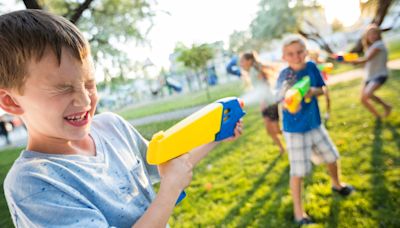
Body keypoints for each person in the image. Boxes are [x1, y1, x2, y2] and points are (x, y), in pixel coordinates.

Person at [0, 10, 243, 227]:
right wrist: (169, 191)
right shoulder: (31, 183)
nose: (85, 101)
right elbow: (171, 179)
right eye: (63, 88)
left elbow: (168, 165)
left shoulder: (112, 127)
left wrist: (217, 133)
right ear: (11, 101)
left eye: (89, 84)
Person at [276, 36, 353, 225]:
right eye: (290, 54)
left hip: (315, 124)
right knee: (299, 171)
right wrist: (290, 104)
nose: (296, 56)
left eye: (300, 51)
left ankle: (337, 184)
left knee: (332, 156)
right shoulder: (284, 76)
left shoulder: (311, 68)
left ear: (306, 51)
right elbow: (280, 99)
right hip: (295, 130)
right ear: (284, 57)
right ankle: (298, 213)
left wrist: (311, 92)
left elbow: (322, 89)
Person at [345, 24, 392, 119]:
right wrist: (353, 62)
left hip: (380, 74)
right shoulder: (370, 47)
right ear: (367, 36)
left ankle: (386, 106)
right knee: (363, 99)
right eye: (370, 34)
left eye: (374, 34)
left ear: (379, 35)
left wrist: (355, 61)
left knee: (368, 94)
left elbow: (367, 59)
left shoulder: (379, 45)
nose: (372, 36)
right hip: (369, 76)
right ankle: (378, 116)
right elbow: (366, 63)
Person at [308, 50, 331, 126]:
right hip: (316, 84)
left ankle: (328, 113)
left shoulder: (321, 63)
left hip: (323, 82)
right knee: (315, 99)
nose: (314, 57)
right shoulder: (311, 65)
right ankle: (318, 114)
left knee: (327, 97)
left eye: (315, 55)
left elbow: (326, 70)